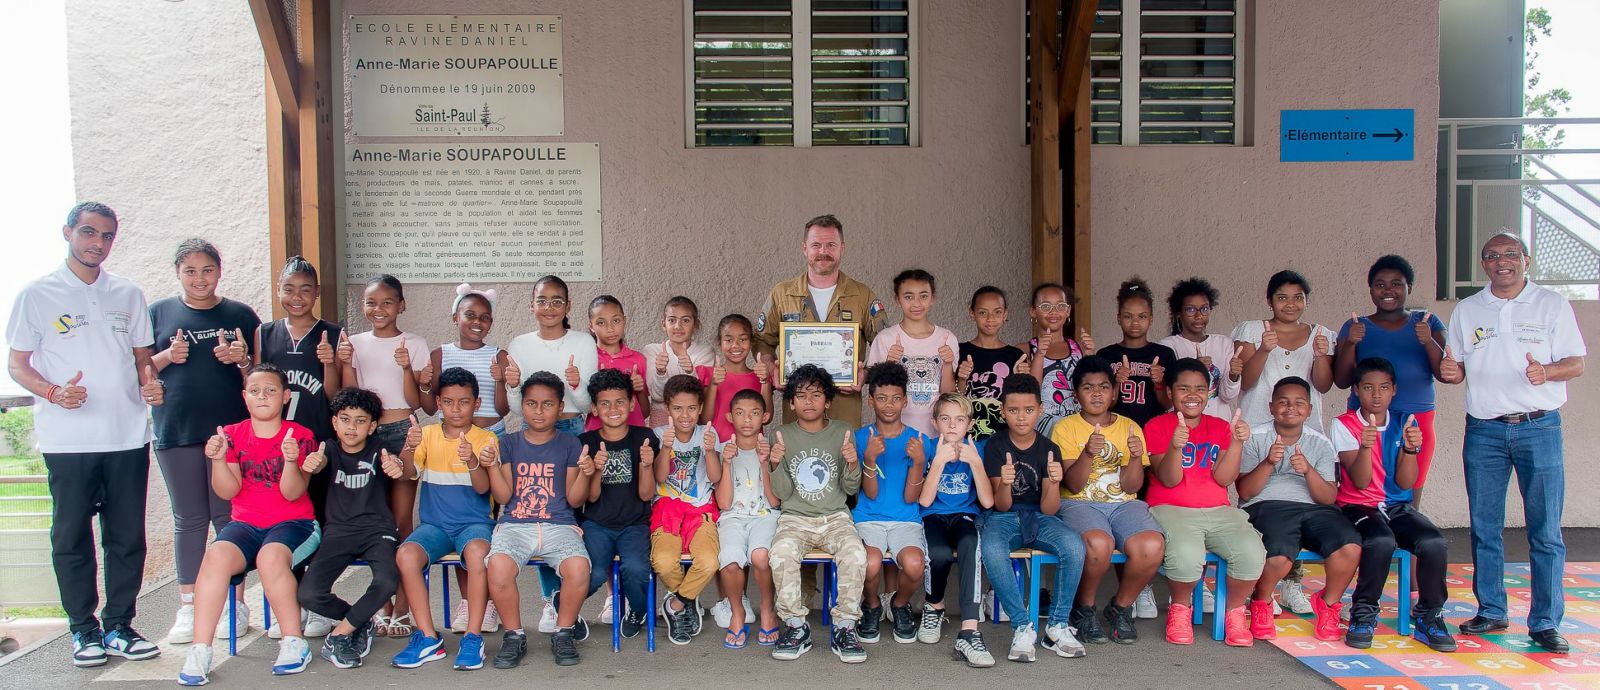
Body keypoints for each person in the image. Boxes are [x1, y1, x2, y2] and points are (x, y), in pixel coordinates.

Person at [6, 201, 165, 668]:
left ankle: (119, 625)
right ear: (68, 233)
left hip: (127, 436)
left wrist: (149, 383)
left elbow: (142, 357)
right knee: (71, 538)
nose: (98, 243)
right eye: (89, 233)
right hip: (68, 442)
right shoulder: (37, 294)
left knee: (126, 538)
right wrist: (53, 391)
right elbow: (18, 365)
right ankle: (83, 630)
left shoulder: (128, 294)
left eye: (107, 236)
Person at [1442, 232, 1586, 654]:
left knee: (1545, 530)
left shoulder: (1552, 304)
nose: (1501, 261)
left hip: (1539, 427)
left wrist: (1549, 372)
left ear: (1526, 259)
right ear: (1483, 265)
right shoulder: (1468, 310)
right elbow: (1457, 368)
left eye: (1510, 254)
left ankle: (1544, 622)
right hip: (1484, 429)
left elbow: (1575, 363)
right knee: (1485, 527)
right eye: (1492, 256)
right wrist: (1451, 374)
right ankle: (1491, 610)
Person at [147, 238, 263, 643]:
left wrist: (242, 360)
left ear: (220, 270)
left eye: (207, 270)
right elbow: (141, 371)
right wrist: (166, 357)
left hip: (230, 434)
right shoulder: (158, 313)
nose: (200, 278)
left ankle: (235, 600)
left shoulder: (239, 314)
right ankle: (189, 606)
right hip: (176, 429)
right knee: (189, 519)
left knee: (228, 518)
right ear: (177, 273)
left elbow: (262, 379)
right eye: (190, 271)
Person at [178, 363, 319, 685]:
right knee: (214, 557)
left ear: (285, 396)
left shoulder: (300, 435)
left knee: (270, 558)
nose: (262, 397)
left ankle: (293, 641)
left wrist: (292, 460)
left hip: (295, 524)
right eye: (254, 391)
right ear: (245, 397)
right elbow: (228, 491)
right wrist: (216, 459)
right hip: (246, 524)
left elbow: (293, 492)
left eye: (271, 390)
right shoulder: (231, 434)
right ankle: (200, 648)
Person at [1332, 358, 1455, 652]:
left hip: (1397, 506)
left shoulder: (1405, 421)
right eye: (1368, 388)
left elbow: (1405, 484)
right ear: (1356, 391)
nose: (1376, 395)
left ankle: (1429, 615)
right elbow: (1360, 482)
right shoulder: (1344, 423)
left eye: (1384, 387)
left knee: (1434, 542)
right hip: (1358, 506)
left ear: (1394, 390)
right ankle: (1363, 613)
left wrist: (1411, 448)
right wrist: (1365, 446)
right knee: (1380, 540)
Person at [1143, 359, 1265, 647]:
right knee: (1186, 556)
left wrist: (1236, 443)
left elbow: (1224, 479)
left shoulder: (1220, 427)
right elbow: (1168, 479)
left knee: (1251, 552)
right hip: (1170, 509)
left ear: (1209, 392)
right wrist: (1175, 446)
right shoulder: (1157, 425)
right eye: (1183, 388)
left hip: (1218, 510)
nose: (1192, 395)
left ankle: (1234, 612)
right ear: (1170, 392)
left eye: (1200, 388)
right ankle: (1180, 609)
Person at [503, 274, 600, 629]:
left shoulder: (582, 341)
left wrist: (573, 384)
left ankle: (571, 599)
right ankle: (550, 601)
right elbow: (517, 406)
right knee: (536, 512)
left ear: (568, 306)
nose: (549, 307)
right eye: (542, 300)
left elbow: (587, 403)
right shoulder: (519, 343)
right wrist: (514, 387)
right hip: (533, 433)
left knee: (569, 518)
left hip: (573, 429)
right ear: (532, 305)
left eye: (557, 300)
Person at [336, 274, 429, 637]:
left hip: (404, 431)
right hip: (368, 436)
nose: (379, 309)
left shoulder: (415, 343)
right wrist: (344, 361)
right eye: (372, 302)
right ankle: (382, 605)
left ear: (401, 305)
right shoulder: (355, 343)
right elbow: (349, 396)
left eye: (388, 302)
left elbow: (421, 399)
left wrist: (411, 368)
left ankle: (403, 609)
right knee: (377, 523)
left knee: (403, 523)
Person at [389, 368, 498, 670]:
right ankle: (427, 637)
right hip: (434, 526)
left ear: (476, 404)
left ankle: (473, 636)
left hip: (474, 524)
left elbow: (484, 488)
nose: (455, 409)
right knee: (406, 555)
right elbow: (409, 473)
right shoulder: (426, 435)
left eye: (463, 402)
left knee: (478, 553)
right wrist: (409, 447)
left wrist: (472, 460)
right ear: (438, 402)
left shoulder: (486, 438)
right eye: (448, 402)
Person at [1235, 377, 1358, 643]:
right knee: (1279, 558)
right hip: (1266, 506)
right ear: (1271, 407)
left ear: (1309, 410)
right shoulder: (1255, 437)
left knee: (1349, 547)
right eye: (1283, 402)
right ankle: (1262, 601)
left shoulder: (1321, 443)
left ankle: (1328, 605)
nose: (1291, 408)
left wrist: (1309, 471)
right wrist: (1269, 462)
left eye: (1299, 403)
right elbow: (1245, 492)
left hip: (1316, 509)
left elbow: (1328, 498)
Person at [1054, 355, 1165, 643]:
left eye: (1103, 387)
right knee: (1098, 544)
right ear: (1076, 393)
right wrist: (1088, 453)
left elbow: (1133, 485)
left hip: (1124, 503)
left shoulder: (1130, 426)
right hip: (1079, 503)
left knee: (1151, 545)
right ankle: (1085, 608)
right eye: (1088, 387)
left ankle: (1120, 607)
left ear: (1114, 392)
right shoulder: (1066, 427)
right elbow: (1073, 484)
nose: (1096, 393)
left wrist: (1137, 457)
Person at [485, 371, 592, 669]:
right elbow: (504, 497)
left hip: (559, 525)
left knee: (579, 568)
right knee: (498, 566)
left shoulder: (570, 444)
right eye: (532, 403)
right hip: (516, 525)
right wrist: (493, 466)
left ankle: (563, 631)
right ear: (522, 406)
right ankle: (514, 635)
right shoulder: (508, 444)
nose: (539, 410)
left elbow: (574, 500)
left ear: (560, 407)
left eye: (547, 404)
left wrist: (586, 471)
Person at [422, 284, 511, 634]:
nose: (477, 322)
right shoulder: (440, 354)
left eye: (484, 317)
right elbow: (431, 405)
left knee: (483, 520)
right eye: (470, 315)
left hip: (490, 437)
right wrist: (422, 383)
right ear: (455, 317)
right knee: (460, 520)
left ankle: (486, 602)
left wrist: (501, 381)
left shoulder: (497, 355)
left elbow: (501, 407)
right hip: (452, 439)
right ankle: (469, 601)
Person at [980, 373, 1087, 662]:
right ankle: (1022, 626)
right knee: (991, 549)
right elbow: (1001, 507)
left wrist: (1053, 482)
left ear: (1040, 410)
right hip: (1004, 517)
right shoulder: (995, 446)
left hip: (1040, 515)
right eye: (1013, 410)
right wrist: (1003, 483)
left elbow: (1050, 510)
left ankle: (1057, 626)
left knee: (1074, 546)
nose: (1021, 417)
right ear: (1003, 412)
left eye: (1028, 410)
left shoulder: (1049, 449)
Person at [766, 364, 868, 663]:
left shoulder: (843, 431)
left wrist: (852, 464)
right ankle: (796, 626)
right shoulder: (782, 435)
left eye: (815, 394)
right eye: (800, 395)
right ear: (790, 402)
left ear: (828, 400)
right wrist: (774, 464)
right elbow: (783, 494)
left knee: (856, 554)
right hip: (795, 518)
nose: (808, 401)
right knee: (780, 554)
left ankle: (845, 626)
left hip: (835, 517)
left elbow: (851, 487)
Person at [296, 387, 403, 669]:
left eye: (360, 420)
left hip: (377, 529)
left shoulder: (379, 449)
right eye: (345, 419)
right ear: (335, 422)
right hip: (339, 531)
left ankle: (340, 636)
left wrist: (396, 466)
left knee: (387, 580)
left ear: (373, 426)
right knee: (308, 594)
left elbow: (394, 464)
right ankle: (359, 621)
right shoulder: (328, 449)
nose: (351, 427)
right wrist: (313, 464)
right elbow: (319, 464)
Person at [754, 214, 887, 425]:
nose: (823, 252)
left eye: (830, 245)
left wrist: (866, 375)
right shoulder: (782, 294)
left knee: (845, 456)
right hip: (798, 413)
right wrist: (772, 369)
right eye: (816, 245)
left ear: (842, 248)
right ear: (804, 248)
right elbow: (762, 341)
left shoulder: (862, 295)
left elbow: (885, 344)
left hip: (844, 410)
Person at [1334, 255, 1446, 493]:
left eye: (1397, 283)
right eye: (1380, 284)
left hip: (1416, 416)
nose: (1388, 290)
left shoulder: (1428, 321)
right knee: (1364, 488)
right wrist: (1352, 342)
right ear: (1371, 290)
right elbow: (1342, 380)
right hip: (1366, 419)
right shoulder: (1355, 326)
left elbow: (1445, 372)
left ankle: (1408, 528)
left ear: (1409, 288)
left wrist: (1427, 340)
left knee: (1410, 489)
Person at [255, 256, 342, 544]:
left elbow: (334, 396)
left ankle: (313, 586)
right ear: (278, 289)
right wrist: (243, 365)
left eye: (305, 289)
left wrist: (329, 364)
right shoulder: (265, 333)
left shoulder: (334, 333)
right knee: (281, 516)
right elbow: (257, 388)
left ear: (317, 292)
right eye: (289, 289)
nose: (297, 297)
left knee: (317, 515)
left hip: (317, 439)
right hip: (275, 443)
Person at [576, 368, 661, 641]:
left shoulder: (644, 438)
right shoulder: (586, 443)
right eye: (605, 403)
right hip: (597, 524)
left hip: (634, 524)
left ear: (632, 403)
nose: (613, 409)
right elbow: (590, 498)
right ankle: (565, 607)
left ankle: (636, 611)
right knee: (594, 571)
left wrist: (646, 464)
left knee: (636, 569)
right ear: (594, 408)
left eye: (620, 402)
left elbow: (647, 495)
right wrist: (596, 470)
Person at [852, 362, 932, 645]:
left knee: (914, 563)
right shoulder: (861, 438)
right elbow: (870, 494)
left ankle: (899, 604)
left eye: (896, 398)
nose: (889, 405)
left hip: (905, 520)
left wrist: (920, 462)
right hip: (868, 518)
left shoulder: (919, 440)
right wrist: (870, 460)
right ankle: (872, 605)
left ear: (905, 400)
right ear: (870, 400)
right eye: (882, 398)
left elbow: (912, 498)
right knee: (869, 562)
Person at [916, 394, 996, 666]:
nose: (952, 425)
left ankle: (970, 630)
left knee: (970, 545)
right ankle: (934, 605)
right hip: (933, 515)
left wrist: (975, 463)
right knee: (937, 553)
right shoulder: (927, 447)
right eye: (945, 419)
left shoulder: (978, 449)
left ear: (969, 424)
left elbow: (987, 501)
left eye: (959, 419)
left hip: (964, 515)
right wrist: (937, 462)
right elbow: (925, 501)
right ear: (934, 422)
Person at [650, 374, 724, 645]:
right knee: (665, 561)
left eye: (692, 408)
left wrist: (709, 451)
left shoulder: (708, 434)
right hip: (666, 509)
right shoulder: (659, 435)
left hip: (700, 510)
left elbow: (715, 478)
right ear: (667, 408)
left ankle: (677, 604)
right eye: (678, 408)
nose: (685, 415)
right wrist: (666, 447)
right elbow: (659, 477)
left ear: (701, 408)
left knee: (708, 561)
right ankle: (688, 603)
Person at [712, 389, 782, 648]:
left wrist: (765, 463)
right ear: (730, 416)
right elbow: (724, 503)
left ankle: (766, 609)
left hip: (765, 516)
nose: (747, 420)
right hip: (733, 517)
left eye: (754, 413)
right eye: (740, 413)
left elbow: (775, 501)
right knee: (730, 560)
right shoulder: (722, 451)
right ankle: (737, 611)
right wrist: (727, 463)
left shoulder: (772, 450)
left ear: (764, 416)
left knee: (760, 556)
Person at [1232, 270, 1335, 433]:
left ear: (1306, 300)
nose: (1290, 304)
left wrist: (1320, 356)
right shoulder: (1250, 330)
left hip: (1304, 430)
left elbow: (1323, 386)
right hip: (1255, 429)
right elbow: (1244, 383)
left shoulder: (1321, 334)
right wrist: (1263, 350)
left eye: (1298, 297)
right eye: (1282, 298)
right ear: (1269, 301)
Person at [867, 269, 959, 437]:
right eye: (908, 297)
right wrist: (888, 366)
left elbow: (948, 394)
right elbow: (875, 394)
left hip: (936, 433)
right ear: (897, 300)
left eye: (923, 296)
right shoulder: (885, 339)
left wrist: (946, 364)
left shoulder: (947, 338)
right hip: (894, 434)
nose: (916, 303)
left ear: (933, 298)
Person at [1100, 277, 1176, 429]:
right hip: (1115, 431)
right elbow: (1102, 405)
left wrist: (1159, 383)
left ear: (1151, 319)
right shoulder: (1105, 355)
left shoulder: (1164, 354)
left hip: (1153, 430)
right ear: (1119, 318)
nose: (1135, 322)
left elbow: (1168, 404)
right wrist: (1117, 383)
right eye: (1128, 316)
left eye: (1142, 316)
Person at [1158, 277, 1240, 418]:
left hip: (1219, 425)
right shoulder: (1167, 346)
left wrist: (1233, 375)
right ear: (1178, 313)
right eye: (1190, 309)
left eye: (1204, 309)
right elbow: (1169, 398)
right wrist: (1194, 367)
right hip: (1183, 427)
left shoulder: (1224, 343)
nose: (1198, 315)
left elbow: (1227, 396)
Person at [956, 286, 1026, 442]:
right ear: (972, 313)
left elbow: (1020, 402)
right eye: (982, 312)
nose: (990, 318)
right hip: (966, 437)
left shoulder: (1015, 356)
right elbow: (953, 399)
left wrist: (1022, 378)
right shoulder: (960, 351)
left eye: (997, 312)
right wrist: (962, 379)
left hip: (1004, 438)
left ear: (1005, 314)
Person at [1025, 283, 1095, 435]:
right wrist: (1040, 354)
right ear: (1033, 311)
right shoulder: (1025, 349)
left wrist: (1089, 354)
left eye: (1060, 306)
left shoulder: (1079, 348)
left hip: (1077, 426)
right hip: (1041, 427)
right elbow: (1031, 391)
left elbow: (1090, 386)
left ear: (1068, 310)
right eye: (1045, 306)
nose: (1054, 312)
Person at [643, 296, 715, 428]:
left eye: (686, 320)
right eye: (672, 320)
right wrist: (661, 372)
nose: (678, 326)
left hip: (690, 422)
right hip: (660, 423)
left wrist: (690, 372)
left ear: (696, 324)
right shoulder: (652, 351)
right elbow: (658, 396)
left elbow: (698, 396)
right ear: (663, 324)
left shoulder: (705, 352)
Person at [700, 313, 773, 442]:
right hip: (716, 450)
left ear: (751, 342)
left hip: (751, 452)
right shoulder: (708, 374)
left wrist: (765, 381)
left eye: (743, 339)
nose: (735, 345)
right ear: (720, 342)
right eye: (729, 340)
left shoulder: (760, 377)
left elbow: (767, 418)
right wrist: (713, 384)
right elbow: (705, 420)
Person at [586, 295, 649, 431]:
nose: (610, 328)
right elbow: (582, 405)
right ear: (591, 326)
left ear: (624, 321)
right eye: (601, 323)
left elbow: (645, 412)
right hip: (596, 435)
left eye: (616, 320)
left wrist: (639, 391)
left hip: (633, 436)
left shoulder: (638, 359)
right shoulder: (587, 359)